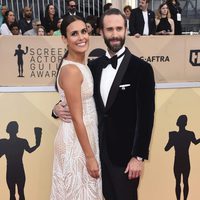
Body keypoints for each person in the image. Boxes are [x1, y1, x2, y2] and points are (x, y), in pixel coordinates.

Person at [53, 8, 155, 200]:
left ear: (126, 30)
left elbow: (147, 117)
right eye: (109, 29)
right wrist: (56, 109)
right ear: (101, 32)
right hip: (96, 151)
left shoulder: (142, 69)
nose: (115, 34)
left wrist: (138, 157)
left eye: (119, 28)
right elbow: (73, 96)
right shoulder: (93, 66)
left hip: (125, 158)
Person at [50, 15, 103, 200]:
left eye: (84, 31)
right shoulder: (71, 70)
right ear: (64, 39)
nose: (81, 37)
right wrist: (89, 157)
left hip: (85, 138)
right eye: (74, 34)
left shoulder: (81, 65)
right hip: (76, 143)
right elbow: (77, 118)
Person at [0, 121, 42, 200]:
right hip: (17, 170)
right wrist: (37, 143)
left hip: (12, 171)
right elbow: (30, 150)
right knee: (18, 193)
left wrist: (37, 144)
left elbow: (29, 150)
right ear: (17, 130)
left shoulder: (6, 144)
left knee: (14, 193)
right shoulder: (21, 142)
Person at [165, 115, 200, 200]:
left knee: (179, 182)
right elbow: (195, 142)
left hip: (178, 161)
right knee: (185, 182)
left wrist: (171, 138)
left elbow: (166, 148)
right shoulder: (189, 134)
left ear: (178, 123)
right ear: (185, 123)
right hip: (185, 160)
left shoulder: (174, 135)